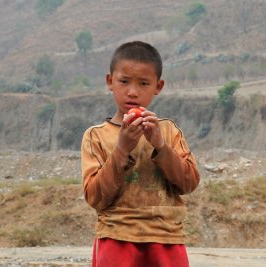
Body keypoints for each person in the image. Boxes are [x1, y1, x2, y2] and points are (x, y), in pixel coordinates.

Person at [81, 41, 200, 267]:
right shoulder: (96, 136)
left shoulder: (167, 131)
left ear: (158, 86)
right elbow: (94, 197)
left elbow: (189, 183)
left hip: (166, 237)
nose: (133, 92)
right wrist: (121, 149)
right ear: (110, 82)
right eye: (124, 81)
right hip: (116, 237)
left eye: (144, 83)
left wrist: (160, 146)